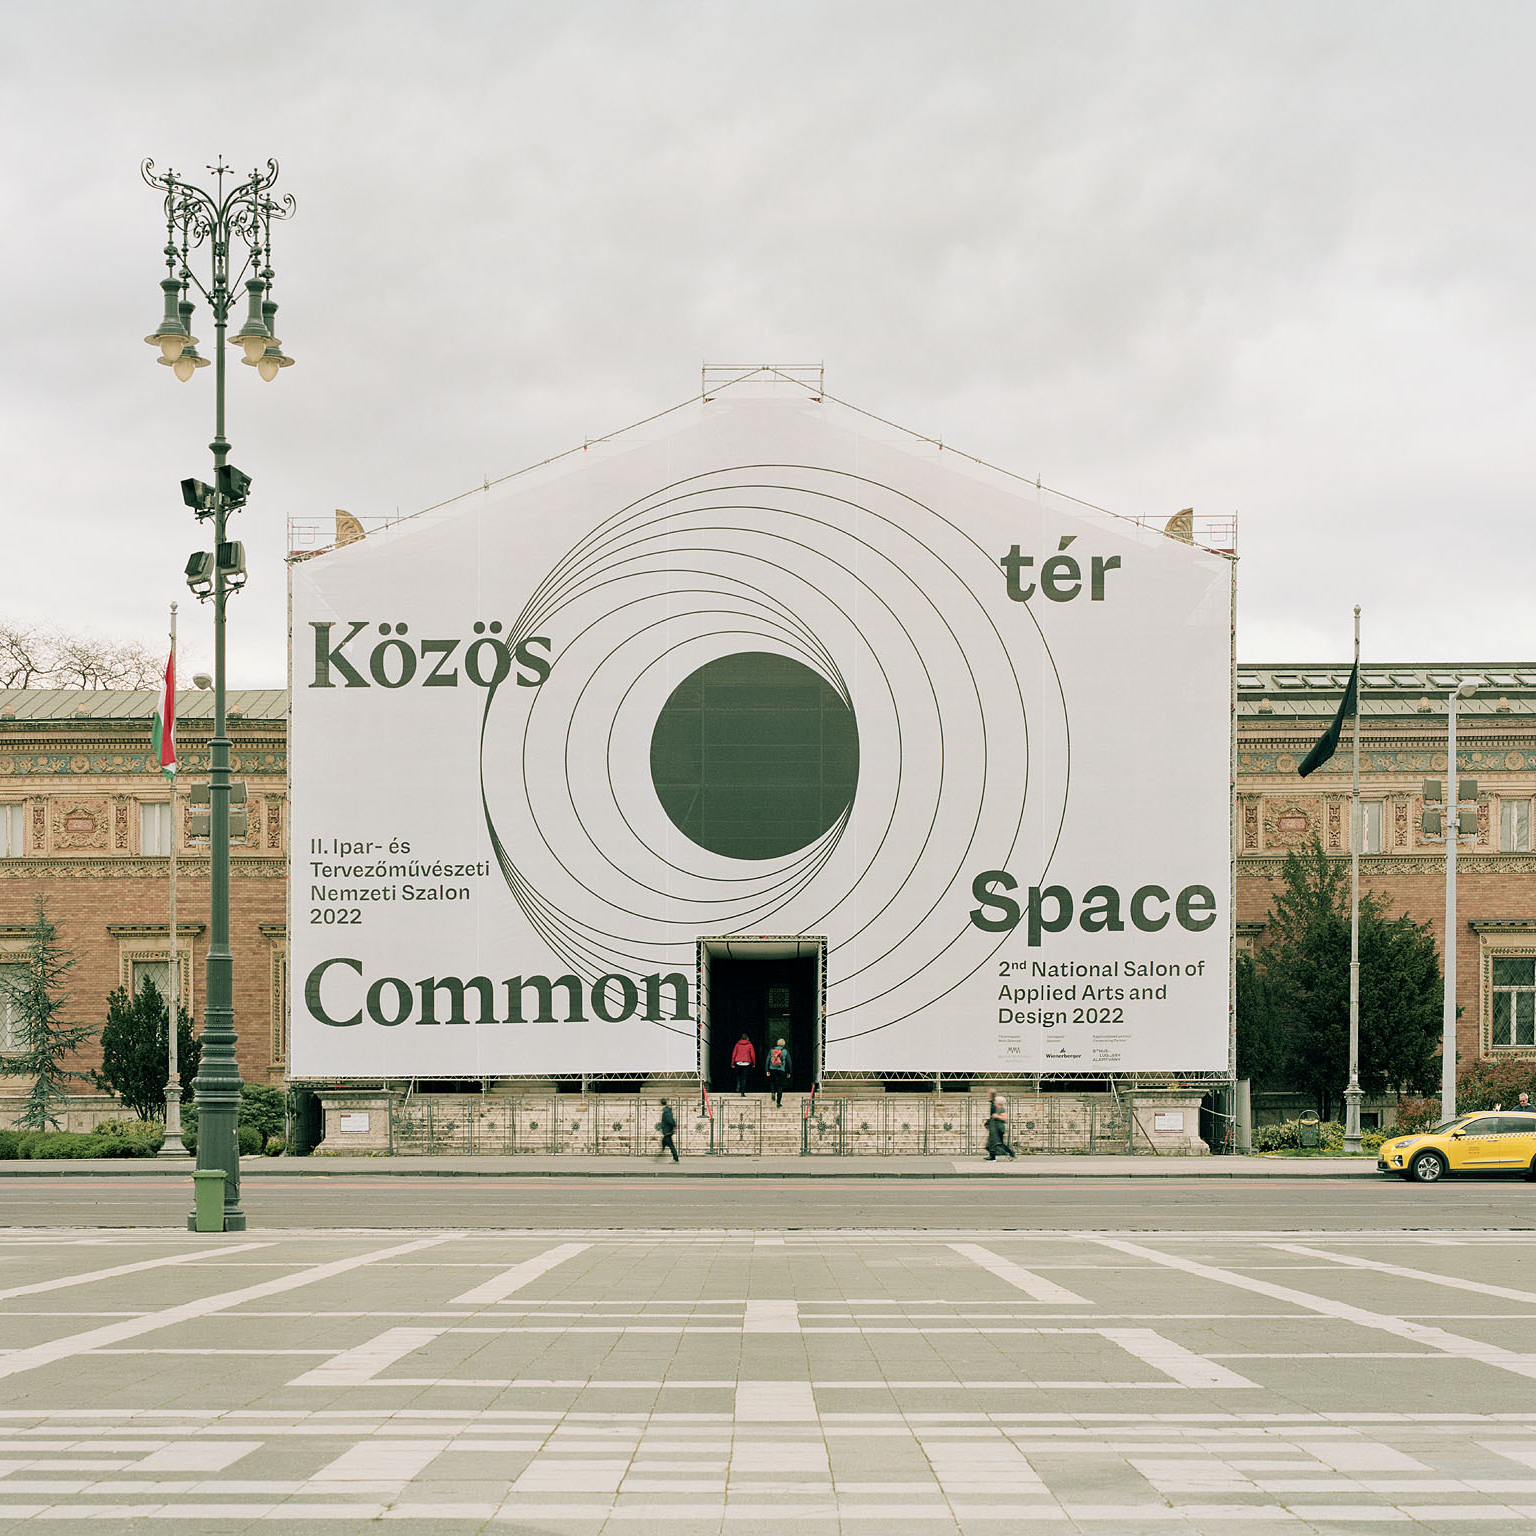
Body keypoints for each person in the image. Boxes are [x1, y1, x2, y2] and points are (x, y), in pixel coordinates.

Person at [986, 1092, 1016, 1160]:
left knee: (999, 1143)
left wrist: (997, 1116)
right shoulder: (996, 1108)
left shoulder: (1001, 1109)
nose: (995, 1102)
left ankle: (1011, 1154)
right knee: (993, 1143)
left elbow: (1005, 1118)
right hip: (995, 1128)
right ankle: (992, 1156)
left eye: (996, 1101)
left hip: (999, 1129)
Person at [766, 1037, 792, 1106]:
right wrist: (789, 1072)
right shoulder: (785, 1051)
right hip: (781, 1070)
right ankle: (778, 1102)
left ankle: (773, 1093)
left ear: (777, 1043)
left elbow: (767, 1060)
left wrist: (767, 1070)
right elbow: (789, 1062)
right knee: (780, 1086)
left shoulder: (772, 1050)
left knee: (772, 1082)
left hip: (772, 1068)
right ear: (784, 1044)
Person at [658, 1098, 678, 1162]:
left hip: (667, 1131)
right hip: (667, 1131)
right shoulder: (667, 1110)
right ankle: (660, 1154)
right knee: (664, 1142)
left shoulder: (666, 1111)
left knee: (671, 1145)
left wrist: (674, 1127)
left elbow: (670, 1120)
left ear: (661, 1105)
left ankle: (675, 1158)